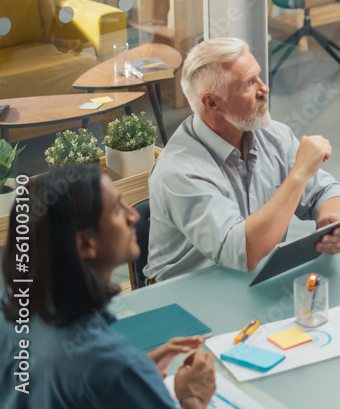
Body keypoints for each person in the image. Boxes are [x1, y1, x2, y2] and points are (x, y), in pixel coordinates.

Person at [1, 165, 217, 408]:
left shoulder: (10, 301)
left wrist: (135, 375)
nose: (133, 216)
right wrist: (193, 397)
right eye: (116, 209)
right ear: (84, 244)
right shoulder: (109, 363)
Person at [145, 38, 340, 282]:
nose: (264, 88)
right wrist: (299, 173)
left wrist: (334, 224)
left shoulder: (272, 134)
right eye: (248, 83)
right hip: (183, 297)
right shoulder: (180, 171)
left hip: (254, 280)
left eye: (259, 76)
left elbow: (329, 192)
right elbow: (243, 252)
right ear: (211, 102)